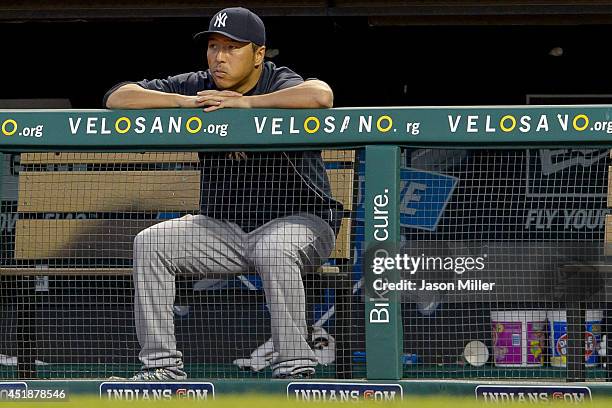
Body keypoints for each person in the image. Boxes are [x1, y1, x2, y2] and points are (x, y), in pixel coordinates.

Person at [103, 7, 343, 380]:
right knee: (151, 243)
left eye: (232, 48)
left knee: (273, 249)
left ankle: (296, 368)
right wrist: (186, 103)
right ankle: (161, 368)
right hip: (225, 229)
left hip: (300, 224)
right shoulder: (199, 85)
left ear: (258, 54)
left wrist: (245, 104)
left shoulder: (276, 80)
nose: (219, 57)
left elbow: (320, 95)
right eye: (214, 47)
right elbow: (118, 98)